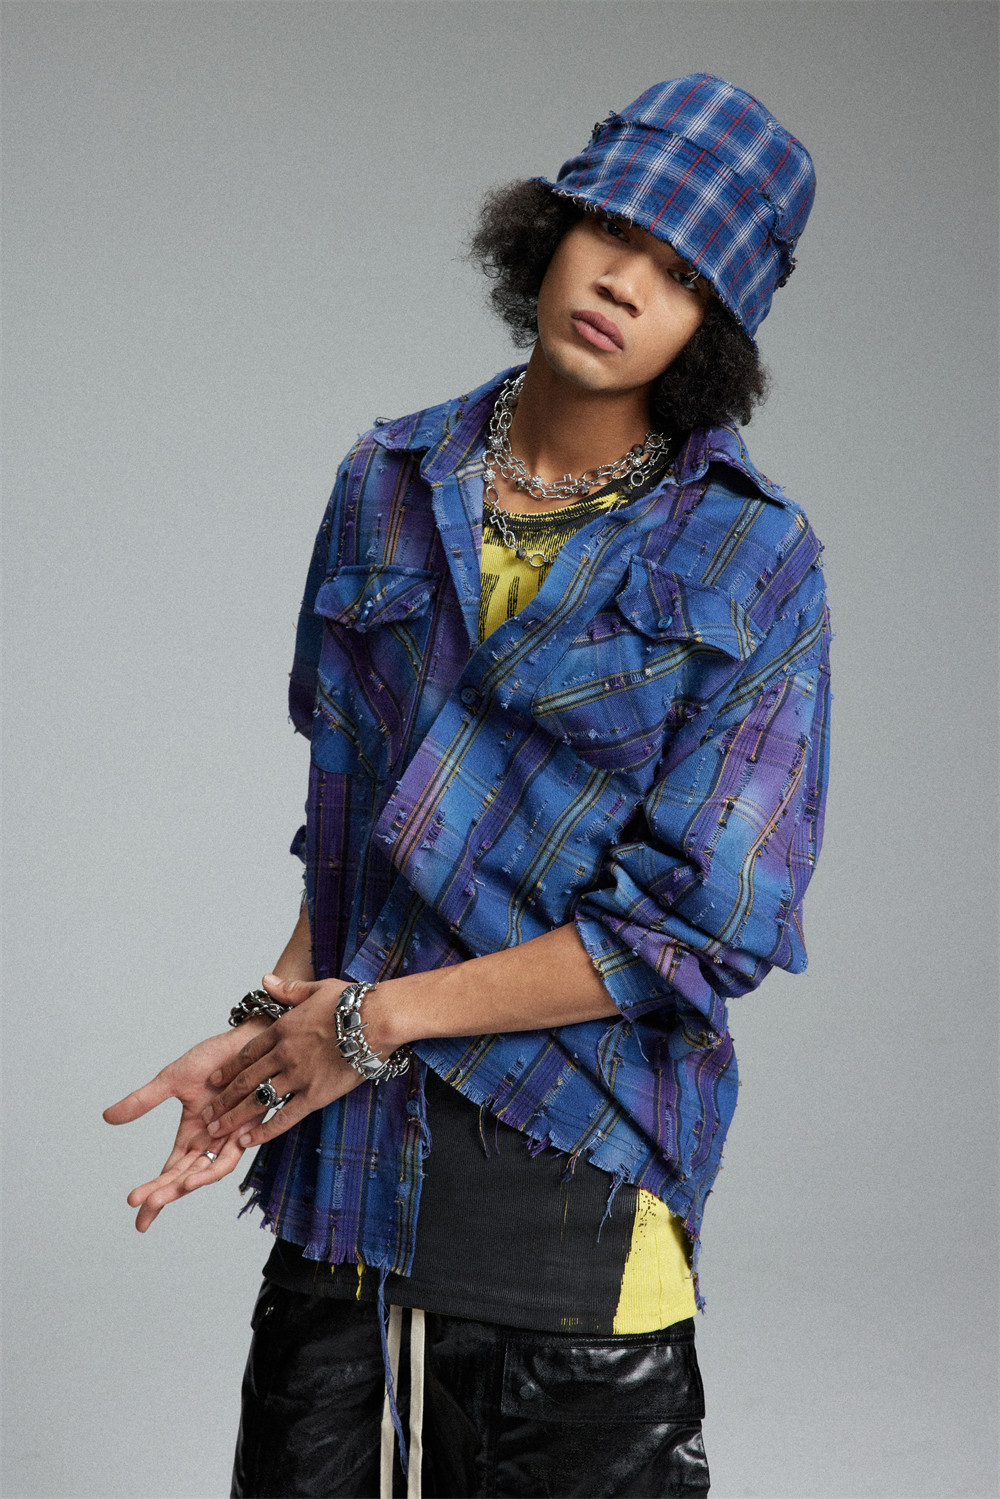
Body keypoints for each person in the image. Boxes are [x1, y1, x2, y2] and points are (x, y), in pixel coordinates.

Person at [105, 73, 830, 1499]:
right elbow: (351, 827)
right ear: (550, 230)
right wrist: (268, 1029)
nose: (626, 283)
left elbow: (699, 929)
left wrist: (370, 1023)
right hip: (345, 1193)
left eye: (684, 277)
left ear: (713, 330)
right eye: (614, 230)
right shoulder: (384, 481)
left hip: (570, 1208)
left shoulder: (754, 562)